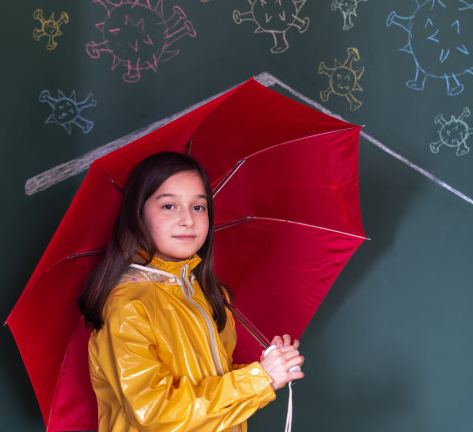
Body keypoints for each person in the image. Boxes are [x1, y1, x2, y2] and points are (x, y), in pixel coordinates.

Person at [78, 151, 304, 432]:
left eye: (198, 207)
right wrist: (259, 380)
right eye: (169, 206)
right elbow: (157, 413)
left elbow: (210, 383)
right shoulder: (127, 305)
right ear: (139, 215)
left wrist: (268, 368)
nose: (188, 220)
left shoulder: (210, 294)